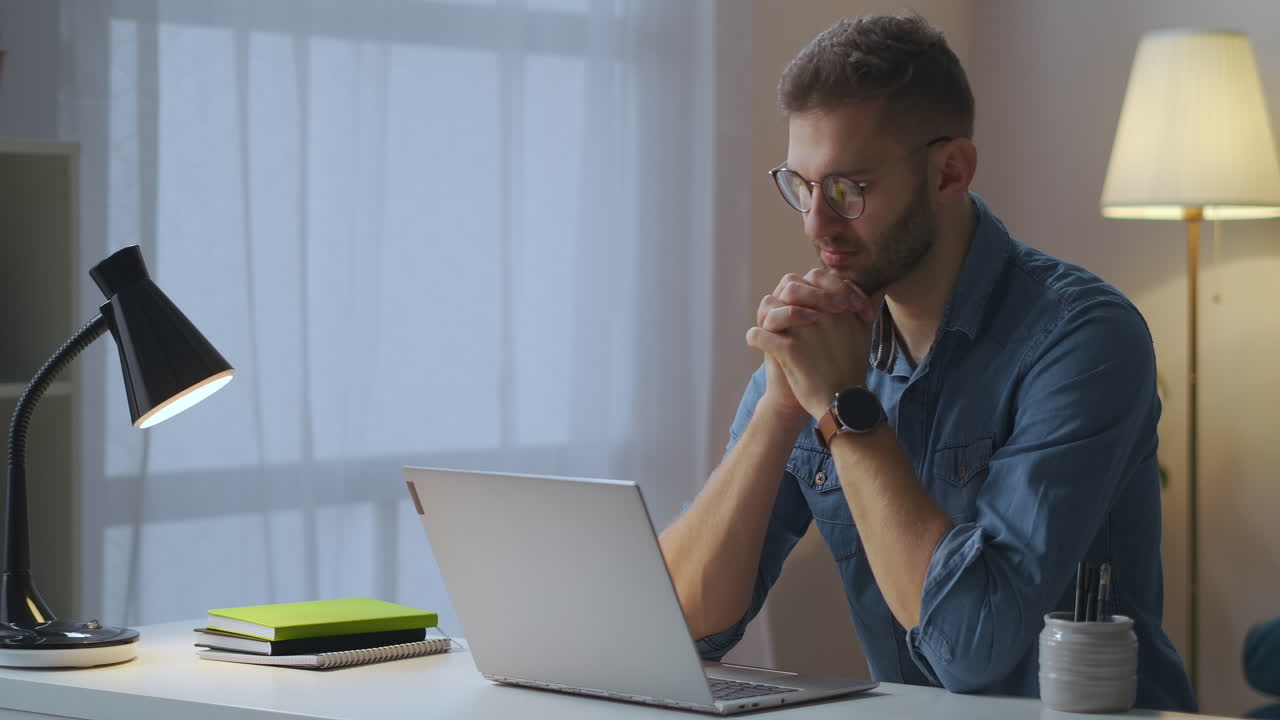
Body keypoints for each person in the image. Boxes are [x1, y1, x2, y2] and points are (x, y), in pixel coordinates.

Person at [658, 13, 1196, 711]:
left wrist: (846, 409)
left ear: (950, 172)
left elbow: (972, 647)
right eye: (801, 185)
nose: (815, 223)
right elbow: (679, 627)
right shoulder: (824, 342)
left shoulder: (1083, 338)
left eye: (848, 189)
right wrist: (778, 410)